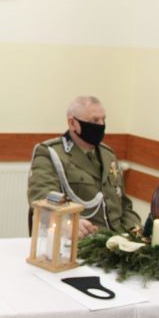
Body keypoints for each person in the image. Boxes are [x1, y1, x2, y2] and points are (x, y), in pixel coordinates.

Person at [27, 95, 141, 238]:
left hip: (116, 241)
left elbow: (124, 205)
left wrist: (132, 232)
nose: (101, 125)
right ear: (72, 123)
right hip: (80, 241)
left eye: (103, 119)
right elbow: (42, 197)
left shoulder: (108, 155)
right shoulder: (50, 153)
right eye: (94, 120)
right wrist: (68, 223)